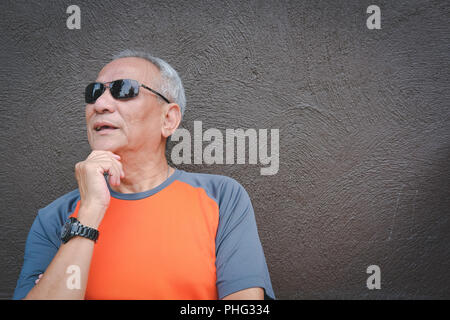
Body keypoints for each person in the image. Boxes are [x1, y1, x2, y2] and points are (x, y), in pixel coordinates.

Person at [12, 50, 275, 300]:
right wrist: (89, 212)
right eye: (93, 93)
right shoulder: (56, 217)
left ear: (168, 119)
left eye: (123, 89)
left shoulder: (222, 198)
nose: (100, 104)